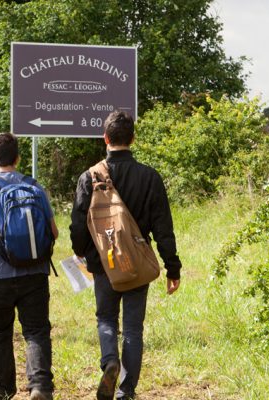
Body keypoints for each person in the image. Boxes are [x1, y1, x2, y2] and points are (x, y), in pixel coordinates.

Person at [69, 111, 182, 400]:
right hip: (137, 265)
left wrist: (81, 254)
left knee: (106, 318)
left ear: (105, 139)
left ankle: (110, 362)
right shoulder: (150, 177)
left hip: (103, 264)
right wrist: (172, 268)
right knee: (133, 328)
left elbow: (78, 224)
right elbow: (163, 227)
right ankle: (126, 391)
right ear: (132, 139)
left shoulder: (90, 177)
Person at [0, 132, 58, 400]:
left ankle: (0, 391)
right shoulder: (35, 186)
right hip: (35, 273)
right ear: (18, 158)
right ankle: (40, 386)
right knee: (37, 330)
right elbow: (54, 231)